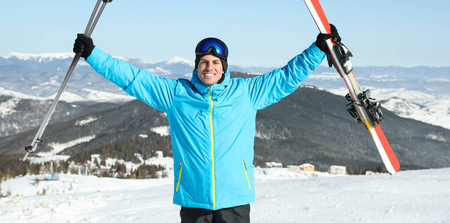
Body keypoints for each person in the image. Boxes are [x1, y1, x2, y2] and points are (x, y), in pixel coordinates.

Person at [73, 26, 340, 223]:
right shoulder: (177, 94)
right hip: (193, 200)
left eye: (214, 62)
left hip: (234, 201)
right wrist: (93, 54)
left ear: (224, 67)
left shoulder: (246, 92)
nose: (208, 67)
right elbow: (133, 78)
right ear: (196, 66)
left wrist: (317, 50)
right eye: (203, 62)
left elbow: (286, 77)